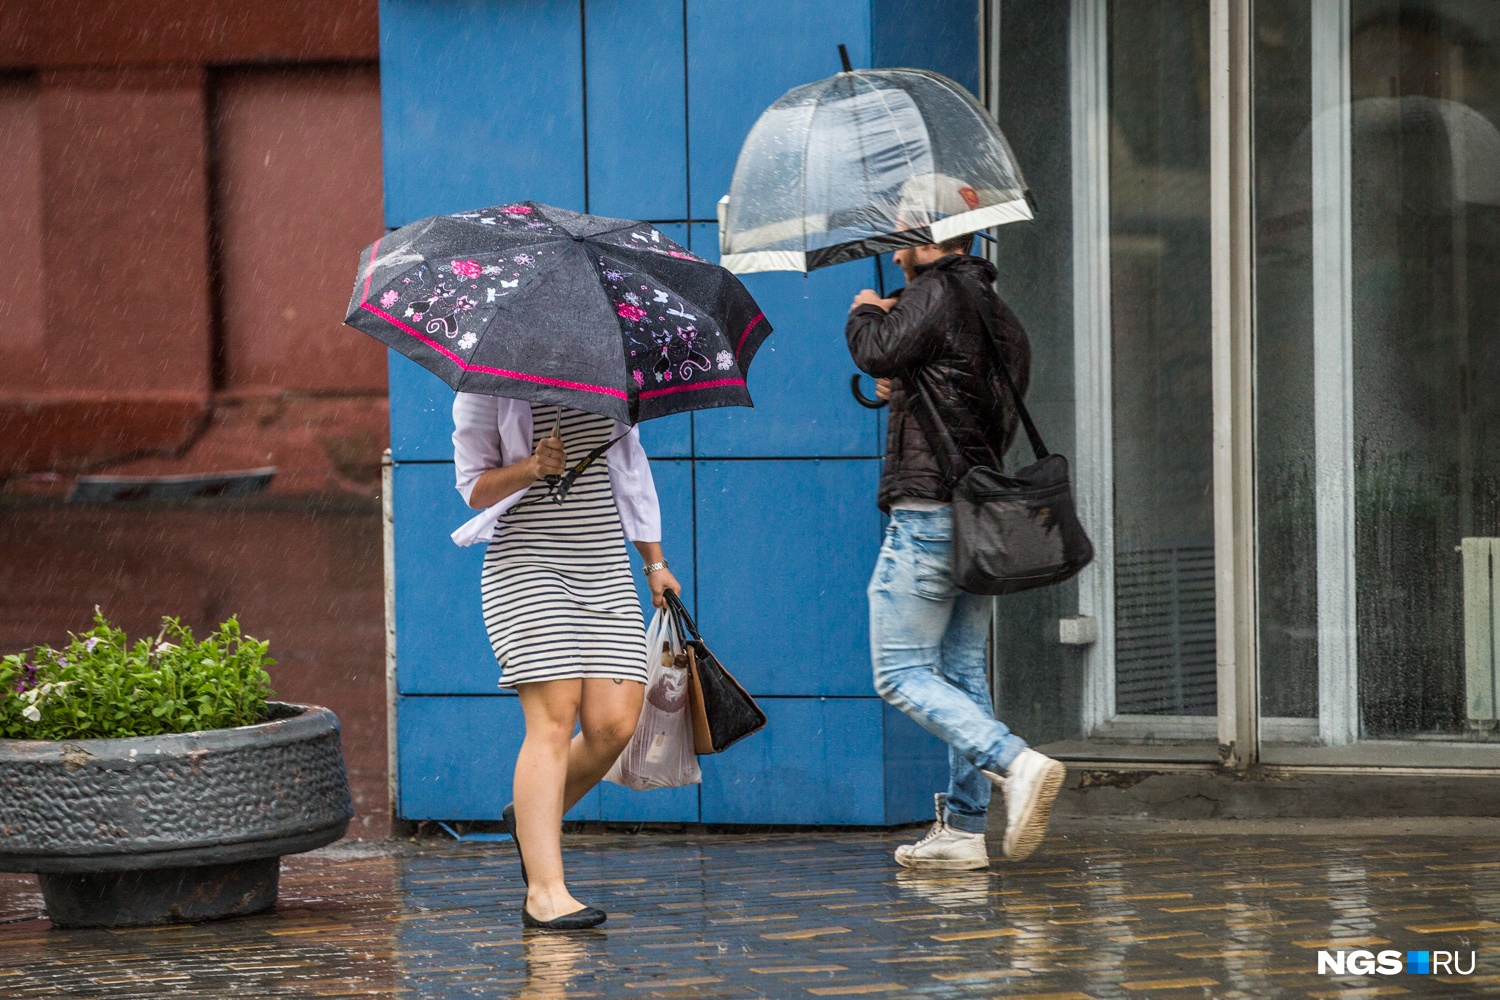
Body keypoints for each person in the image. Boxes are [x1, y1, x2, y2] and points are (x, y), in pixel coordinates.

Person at [845, 234, 1066, 870]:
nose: (893, 258)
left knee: (900, 672)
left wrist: (865, 310)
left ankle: (1014, 761)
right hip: (975, 512)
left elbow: (875, 349)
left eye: (902, 242)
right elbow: (968, 399)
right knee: (963, 672)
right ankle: (966, 832)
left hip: (927, 512)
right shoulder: (993, 308)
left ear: (933, 240)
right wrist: (907, 391)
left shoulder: (934, 292)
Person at [452, 395, 681, 928]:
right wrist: (531, 467)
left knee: (616, 722)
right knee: (555, 718)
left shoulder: (609, 380)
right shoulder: (486, 387)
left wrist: (655, 563)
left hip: (601, 564)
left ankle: (531, 814)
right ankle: (546, 893)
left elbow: (630, 470)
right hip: (526, 563)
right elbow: (473, 489)